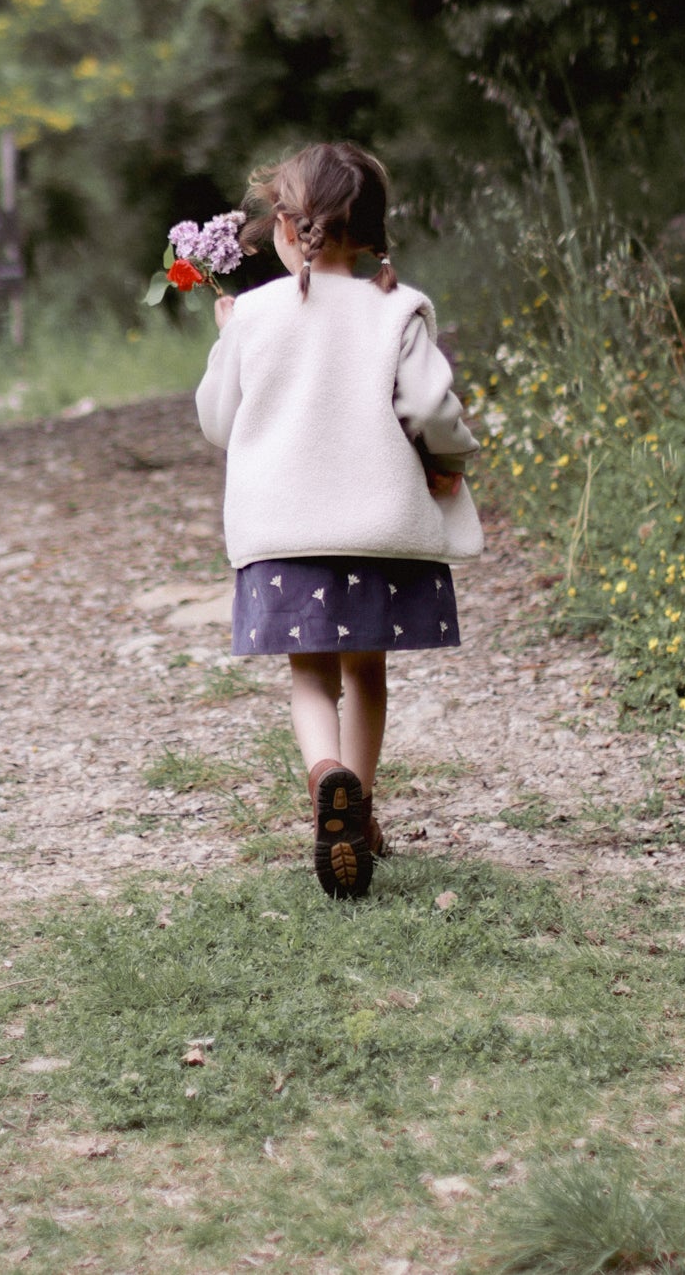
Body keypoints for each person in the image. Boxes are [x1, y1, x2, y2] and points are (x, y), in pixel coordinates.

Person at [195, 141, 482, 901]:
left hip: (284, 531)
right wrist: (452, 456)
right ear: (373, 231)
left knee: (311, 675)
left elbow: (219, 422)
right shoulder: (398, 308)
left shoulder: (252, 314)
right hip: (378, 529)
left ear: (287, 227)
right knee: (367, 669)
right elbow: (428, 408)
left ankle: (324, 775)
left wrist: (227, 337)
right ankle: (361, 803)